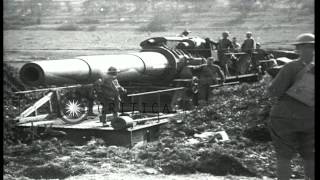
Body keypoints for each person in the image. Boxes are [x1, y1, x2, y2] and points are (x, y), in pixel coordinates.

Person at [267, 33, 314, 180]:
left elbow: (274, 92)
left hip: (285, 117)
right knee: (310, 154)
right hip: (310, 118)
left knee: (284, 156)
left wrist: (269, 83)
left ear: (298, 49)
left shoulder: (291, 66)